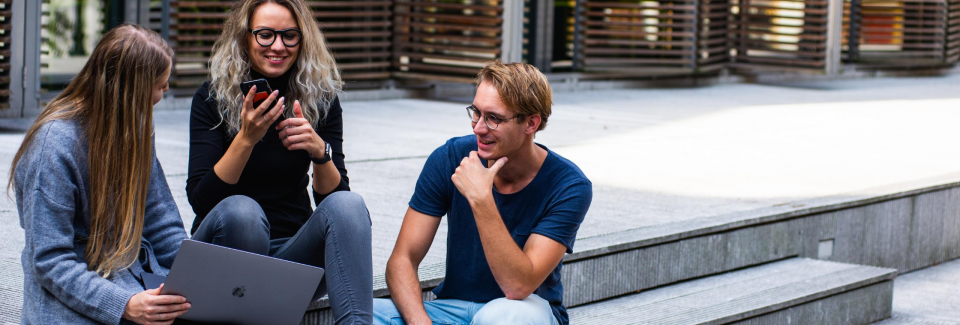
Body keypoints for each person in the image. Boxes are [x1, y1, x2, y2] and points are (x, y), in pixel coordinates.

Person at [186, 0, 372, 323]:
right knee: (244, 213)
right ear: (246, 37)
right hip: (227, 254)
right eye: (266, 35)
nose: (278, 46)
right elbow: (201, 200)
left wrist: (319, 150)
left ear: (303, 40)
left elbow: (335, 201)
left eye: (289, 36)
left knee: (351, 206)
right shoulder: (211, 98)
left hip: (291, 257)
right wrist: (246, 139)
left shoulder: (319, 98)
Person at [374, 61, 593, 325]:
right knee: (365, 312)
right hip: (452, 309)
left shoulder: (568, 186)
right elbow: (402, 260)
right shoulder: (450, 157)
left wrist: (481, 198)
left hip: (523, 311)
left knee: (505, 317)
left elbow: (518, 287)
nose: (478, 127)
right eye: (476, 112)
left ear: (531, 123)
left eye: (494, 118)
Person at [10, 24, 191, 325]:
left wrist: (191, 278)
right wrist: (124, 304)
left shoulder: (138, 126)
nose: (167, 90)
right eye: (161, 84)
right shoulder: (53, 145)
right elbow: (50, 261)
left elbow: (160, 220)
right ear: (132, 91)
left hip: (130, 270)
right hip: (75, 286)